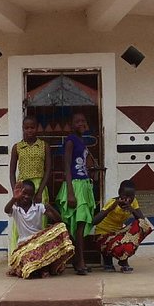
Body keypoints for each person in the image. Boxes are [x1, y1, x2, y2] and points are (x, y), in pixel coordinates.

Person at [4, 180, 73, 278]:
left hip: (39, 242)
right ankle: (41, 269)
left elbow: (59, 220)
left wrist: (50, 207)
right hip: (24, 245)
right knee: (28, 270)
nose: (26, 197)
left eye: (30, 194)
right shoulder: (16, 209)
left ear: (33, 195)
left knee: (61, 227)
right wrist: (14, 198)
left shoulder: (39, 207)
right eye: (24, 193)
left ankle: (44, 268)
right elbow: (6, 210)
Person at [57, 112, 97, 275]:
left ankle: (78, 260)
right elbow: (67, 167)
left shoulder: (82, 141)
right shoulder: (70, 141)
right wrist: (71, 193)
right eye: (77, 121)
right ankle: (79, 261)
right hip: (74, 186)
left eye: (83, 121)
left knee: (81, 224)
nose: (81, 123)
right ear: (71, 124)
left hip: (84, 185)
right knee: (78, 225)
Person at [92, 179, 152, 272]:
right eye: (125, 195)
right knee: (115, 241)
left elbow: (142, 220)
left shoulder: (133, 202)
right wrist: (110, 209)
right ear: (119, 193)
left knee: (142, 225)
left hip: (117, 234)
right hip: (102, 235)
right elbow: (94, 221)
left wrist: (131, 209)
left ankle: (123, 260)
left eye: (131, 196)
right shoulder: (112, 203)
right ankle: (109, 261)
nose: (128, 199)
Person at [8, 115, 49, 201]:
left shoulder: (44, 146)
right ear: (23, 128)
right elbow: (12, 172)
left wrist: (40, 192)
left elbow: (48, 170)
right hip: (23, 186)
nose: (29, 130)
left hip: (39, 185)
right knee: (24, 212)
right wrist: (15, 192)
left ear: (37, 128)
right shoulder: (17, 147)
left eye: (32, 127)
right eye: (27, 128)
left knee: (40, 212)